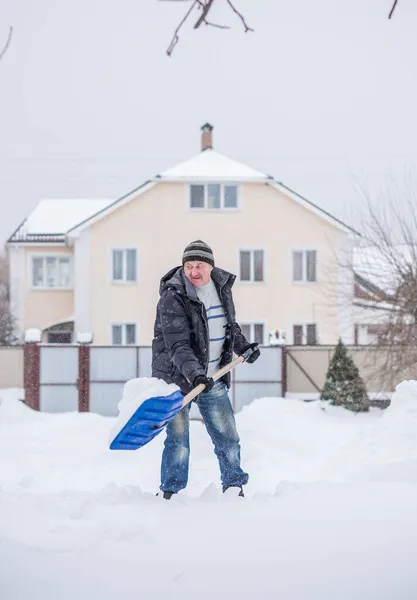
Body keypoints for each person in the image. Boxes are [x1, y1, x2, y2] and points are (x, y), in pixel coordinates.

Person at [152, 240, 260, 499]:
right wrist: (195, 374)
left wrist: (244, 347)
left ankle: (234, 485)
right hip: (177, 380)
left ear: (210, 266)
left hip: (214, 376)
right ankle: (171, 492)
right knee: (178, 440)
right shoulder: (173, 295)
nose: (193, 271)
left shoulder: (221, 288)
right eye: (188, 266)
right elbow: (177, 344)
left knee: (228, 435)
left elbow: (227, 326)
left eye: (199, 265)